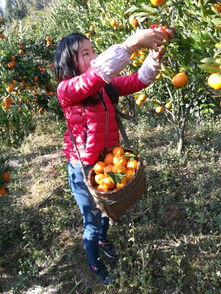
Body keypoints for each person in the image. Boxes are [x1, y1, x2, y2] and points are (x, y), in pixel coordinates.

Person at [54, 27, 171, 285]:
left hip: (108, 160)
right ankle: (95, 264)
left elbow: (137, 80)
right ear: (69, 61)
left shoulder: (103, 87)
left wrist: (153, 58)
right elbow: (96, 75)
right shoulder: (67, 89)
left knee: (108, 209)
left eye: (93, 51)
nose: (92, 56)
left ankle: (104, 239)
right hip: (83, 166)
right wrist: (132, 44)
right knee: (92, 220)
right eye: (85, 53)